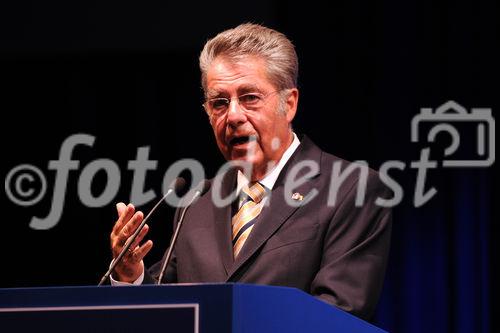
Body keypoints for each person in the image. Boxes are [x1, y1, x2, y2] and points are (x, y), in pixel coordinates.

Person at [109, 23, 392, 320]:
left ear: (290, 103)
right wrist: (131, 276)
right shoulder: (197, 201)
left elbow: (340, 313)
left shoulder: (352, 190)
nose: (232, 116)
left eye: (249, 98)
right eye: (219, 102)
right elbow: (166, 310)